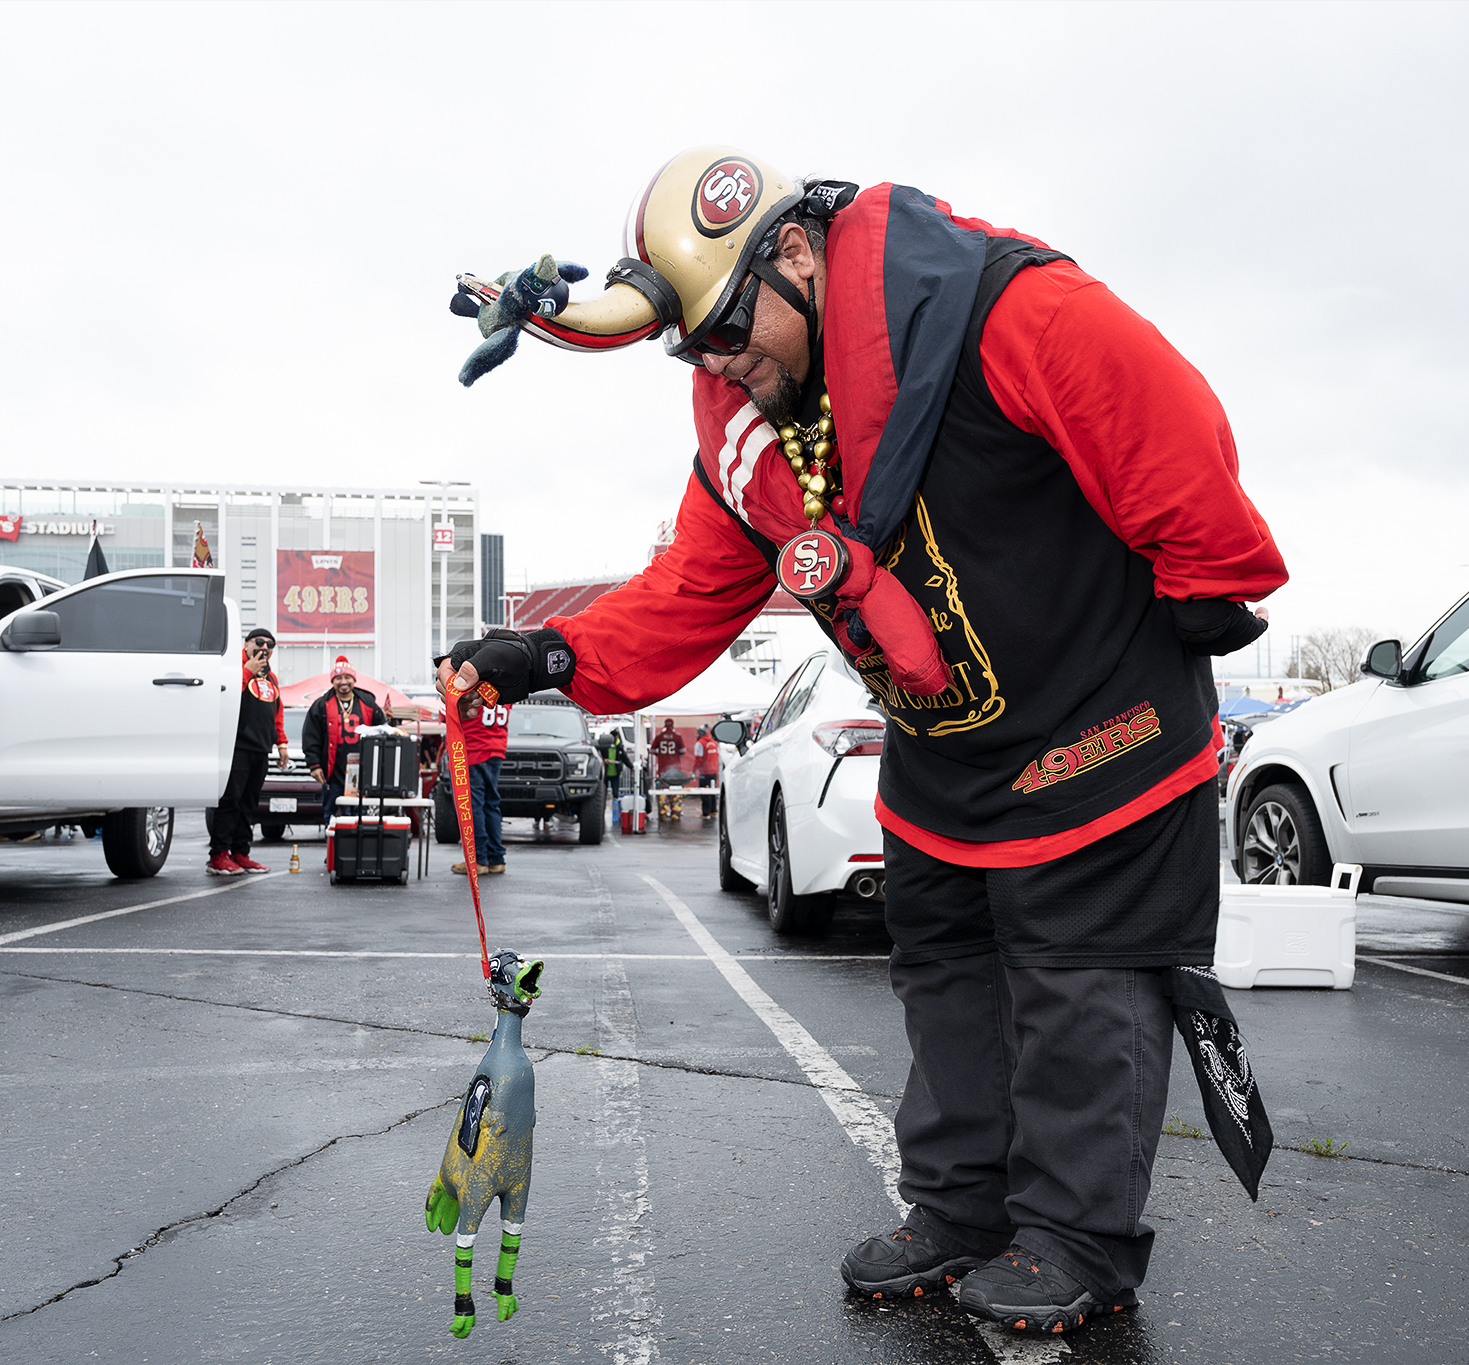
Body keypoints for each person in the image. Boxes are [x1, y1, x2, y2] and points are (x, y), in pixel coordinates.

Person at [440, 146, 1284, 1334]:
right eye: (696, 350)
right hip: (946, 755)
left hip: (1102, 720)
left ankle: (1074, 1240)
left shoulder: (1001, 303)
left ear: (792, 250)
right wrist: (552, 656)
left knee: (1077, 985)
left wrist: (1210, 571)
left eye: (730, 330)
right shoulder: (751, 427)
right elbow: (688, 586)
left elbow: (1149, 401)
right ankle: (959, 1209)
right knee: (943, 977)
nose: (723, 364)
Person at [207, 627, 286, 875]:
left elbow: (277, 712)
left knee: (249, 804)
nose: (264, 649)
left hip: (261, 749)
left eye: (270, 645)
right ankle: (218, 855)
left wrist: (281, 743)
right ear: (247, 644)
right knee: (230, 801)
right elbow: (225, 698)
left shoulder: (270, 678)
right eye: (259, 643)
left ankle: (241, 853)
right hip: (237, 747)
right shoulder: (233, 670)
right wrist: (246, 672)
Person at [303, 656, 387, 825]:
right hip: (333, 770)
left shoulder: (367, 701)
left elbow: (383, 730)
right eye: (338, 678)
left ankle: (358, 849)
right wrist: (314, 765)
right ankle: (333, 850)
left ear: (353, 679)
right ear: (332, 681)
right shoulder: (321, 705)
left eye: (347, 677)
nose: (343, 682)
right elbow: (311, 736)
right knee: (332, 813)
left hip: (362, 770)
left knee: (360, 814)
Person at [449, 698, 509, 877]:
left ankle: (478, 859)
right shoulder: (504, 686)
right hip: (496, 748)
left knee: (472, 807)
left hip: (472, 750)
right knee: (491, 805)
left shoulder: (475, 685)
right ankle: (495, 859)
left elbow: (453, 711)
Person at [652, 717, 689, 823]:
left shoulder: (659, 737)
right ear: (672, 725)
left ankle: (663, 812)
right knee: (676, 790)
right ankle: (676, 813)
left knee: (663, 791)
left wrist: (660, 755)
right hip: (676, 770)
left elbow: (652, 749)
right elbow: (683, 750)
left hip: (663, 769)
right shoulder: (677, 737)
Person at [693, 723, 720, 821]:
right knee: (712, 792)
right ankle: (713, 810)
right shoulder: (714, 742)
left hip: (704, 772)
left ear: (701, 733)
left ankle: (706, 813)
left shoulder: (700, 743)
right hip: (714, 771)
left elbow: (698, 759)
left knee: (704, 793)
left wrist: (694, 770)